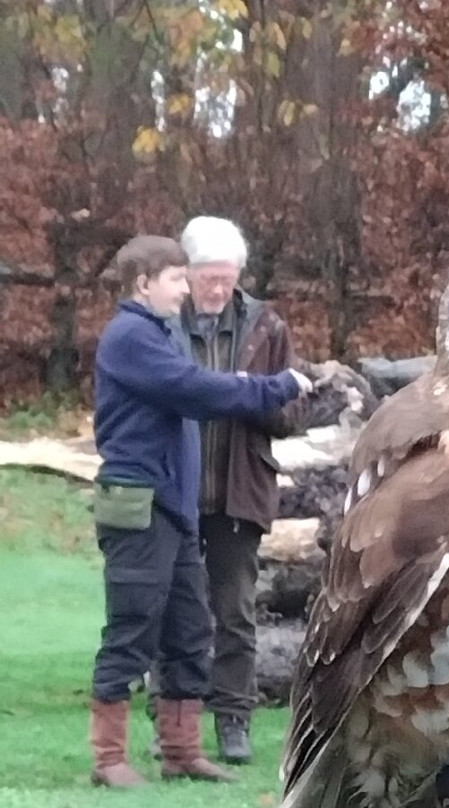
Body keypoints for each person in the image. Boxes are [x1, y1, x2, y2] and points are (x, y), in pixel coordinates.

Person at [89, 235, 313, 788]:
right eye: (176, 279)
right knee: (133, 627)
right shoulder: (129, 337)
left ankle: (181, 752)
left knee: (190, 631)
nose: (186, 289)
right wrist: (276, 386)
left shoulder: (161, 333)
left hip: (176, 508)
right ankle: (109, 760)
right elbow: (192, 389)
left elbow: (203, 384)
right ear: (144, 284)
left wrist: (243, 385)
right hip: (138, 504)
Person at [144, 216, 311, 765]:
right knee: (173, 610)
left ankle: (234, 721)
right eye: (207, 278)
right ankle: (168, 720)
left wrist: (252, 398)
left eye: (227, 278)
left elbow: (293, 410)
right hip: (173, 488)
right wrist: (225, 393)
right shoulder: (162, 323)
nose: (217, 289)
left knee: (235, 613)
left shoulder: (267, 325)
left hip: (239, 490)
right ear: (186, 273)